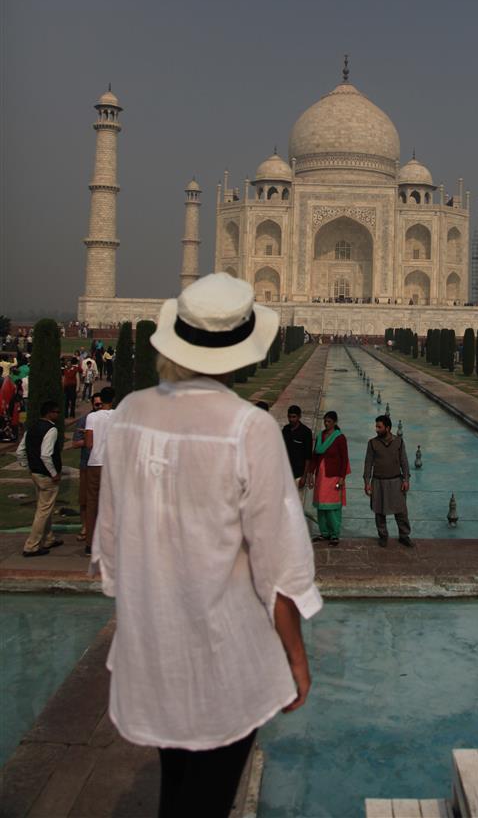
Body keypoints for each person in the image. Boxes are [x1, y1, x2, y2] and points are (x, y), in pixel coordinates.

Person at [92, 273, 320, 818]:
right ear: (241, 350)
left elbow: (112, 546)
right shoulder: (248, 427)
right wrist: (295, 657)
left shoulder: (128, 415)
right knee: (206, 800)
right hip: (225, 658)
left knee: (177, 789)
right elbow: (279, 567)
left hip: (154, 650)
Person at [16, 400, 64, 558]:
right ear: (49, 413)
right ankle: (31, 546)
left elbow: (20, 450)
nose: (58, 415)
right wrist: (54, 473)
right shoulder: (51, 429)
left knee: (45, 506)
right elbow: (46, 454)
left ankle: (48, 538)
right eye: (56, 412)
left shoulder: (32, 427)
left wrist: (27, 465)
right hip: (46, 475)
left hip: (35, 473)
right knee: (43, 510)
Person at [363, 415, 412, 547]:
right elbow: (368, 464)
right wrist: (367, 482)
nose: (376, 429)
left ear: (388, 428)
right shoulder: (372, 443)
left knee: (401, 511)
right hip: (378, 482)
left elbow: (404, 462)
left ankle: (404, 535)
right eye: (376, 427)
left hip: (396, 481)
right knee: (379, 511)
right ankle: (383, 536)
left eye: (379, 427)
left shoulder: (399, 442)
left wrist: (406, 479)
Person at [308, 411, 350, 546]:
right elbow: (315, 457)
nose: (326, 424)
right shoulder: (320, 436)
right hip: (321, 477)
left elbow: (344, 459)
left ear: (335, 422)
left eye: (329, 421)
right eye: (325, 421)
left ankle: (334, 534)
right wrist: (310, 473)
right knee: (321, 506)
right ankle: (324, 532)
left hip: (333, 477)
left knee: (332, 507)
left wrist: (342, 477)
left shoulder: (339, 438)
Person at [84, 386, 115, 556]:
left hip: (95, 463)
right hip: (112, 465)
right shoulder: (120, 415)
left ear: (100, 400)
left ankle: (90, 543)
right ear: (114, 399)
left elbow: (89, 443)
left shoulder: (92, 417)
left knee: (92, 504)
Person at [71, 392, 103, 543]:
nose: (99, 407)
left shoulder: (108, 418)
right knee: (84, 499)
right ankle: (85, 527)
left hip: (103, 465)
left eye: (101, 404)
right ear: (92, 404)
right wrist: (90, 437)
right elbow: (75, 443)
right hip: (87, 464)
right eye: (96, 404)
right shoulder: (86, 419)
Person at [282, 405, 313, 487]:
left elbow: (308, 456)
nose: (291, 419)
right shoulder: (285, 430)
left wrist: (304, 476)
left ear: (299, 417)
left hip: (298, 475)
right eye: (289, 417)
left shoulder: (306, 432)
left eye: (294, 417)